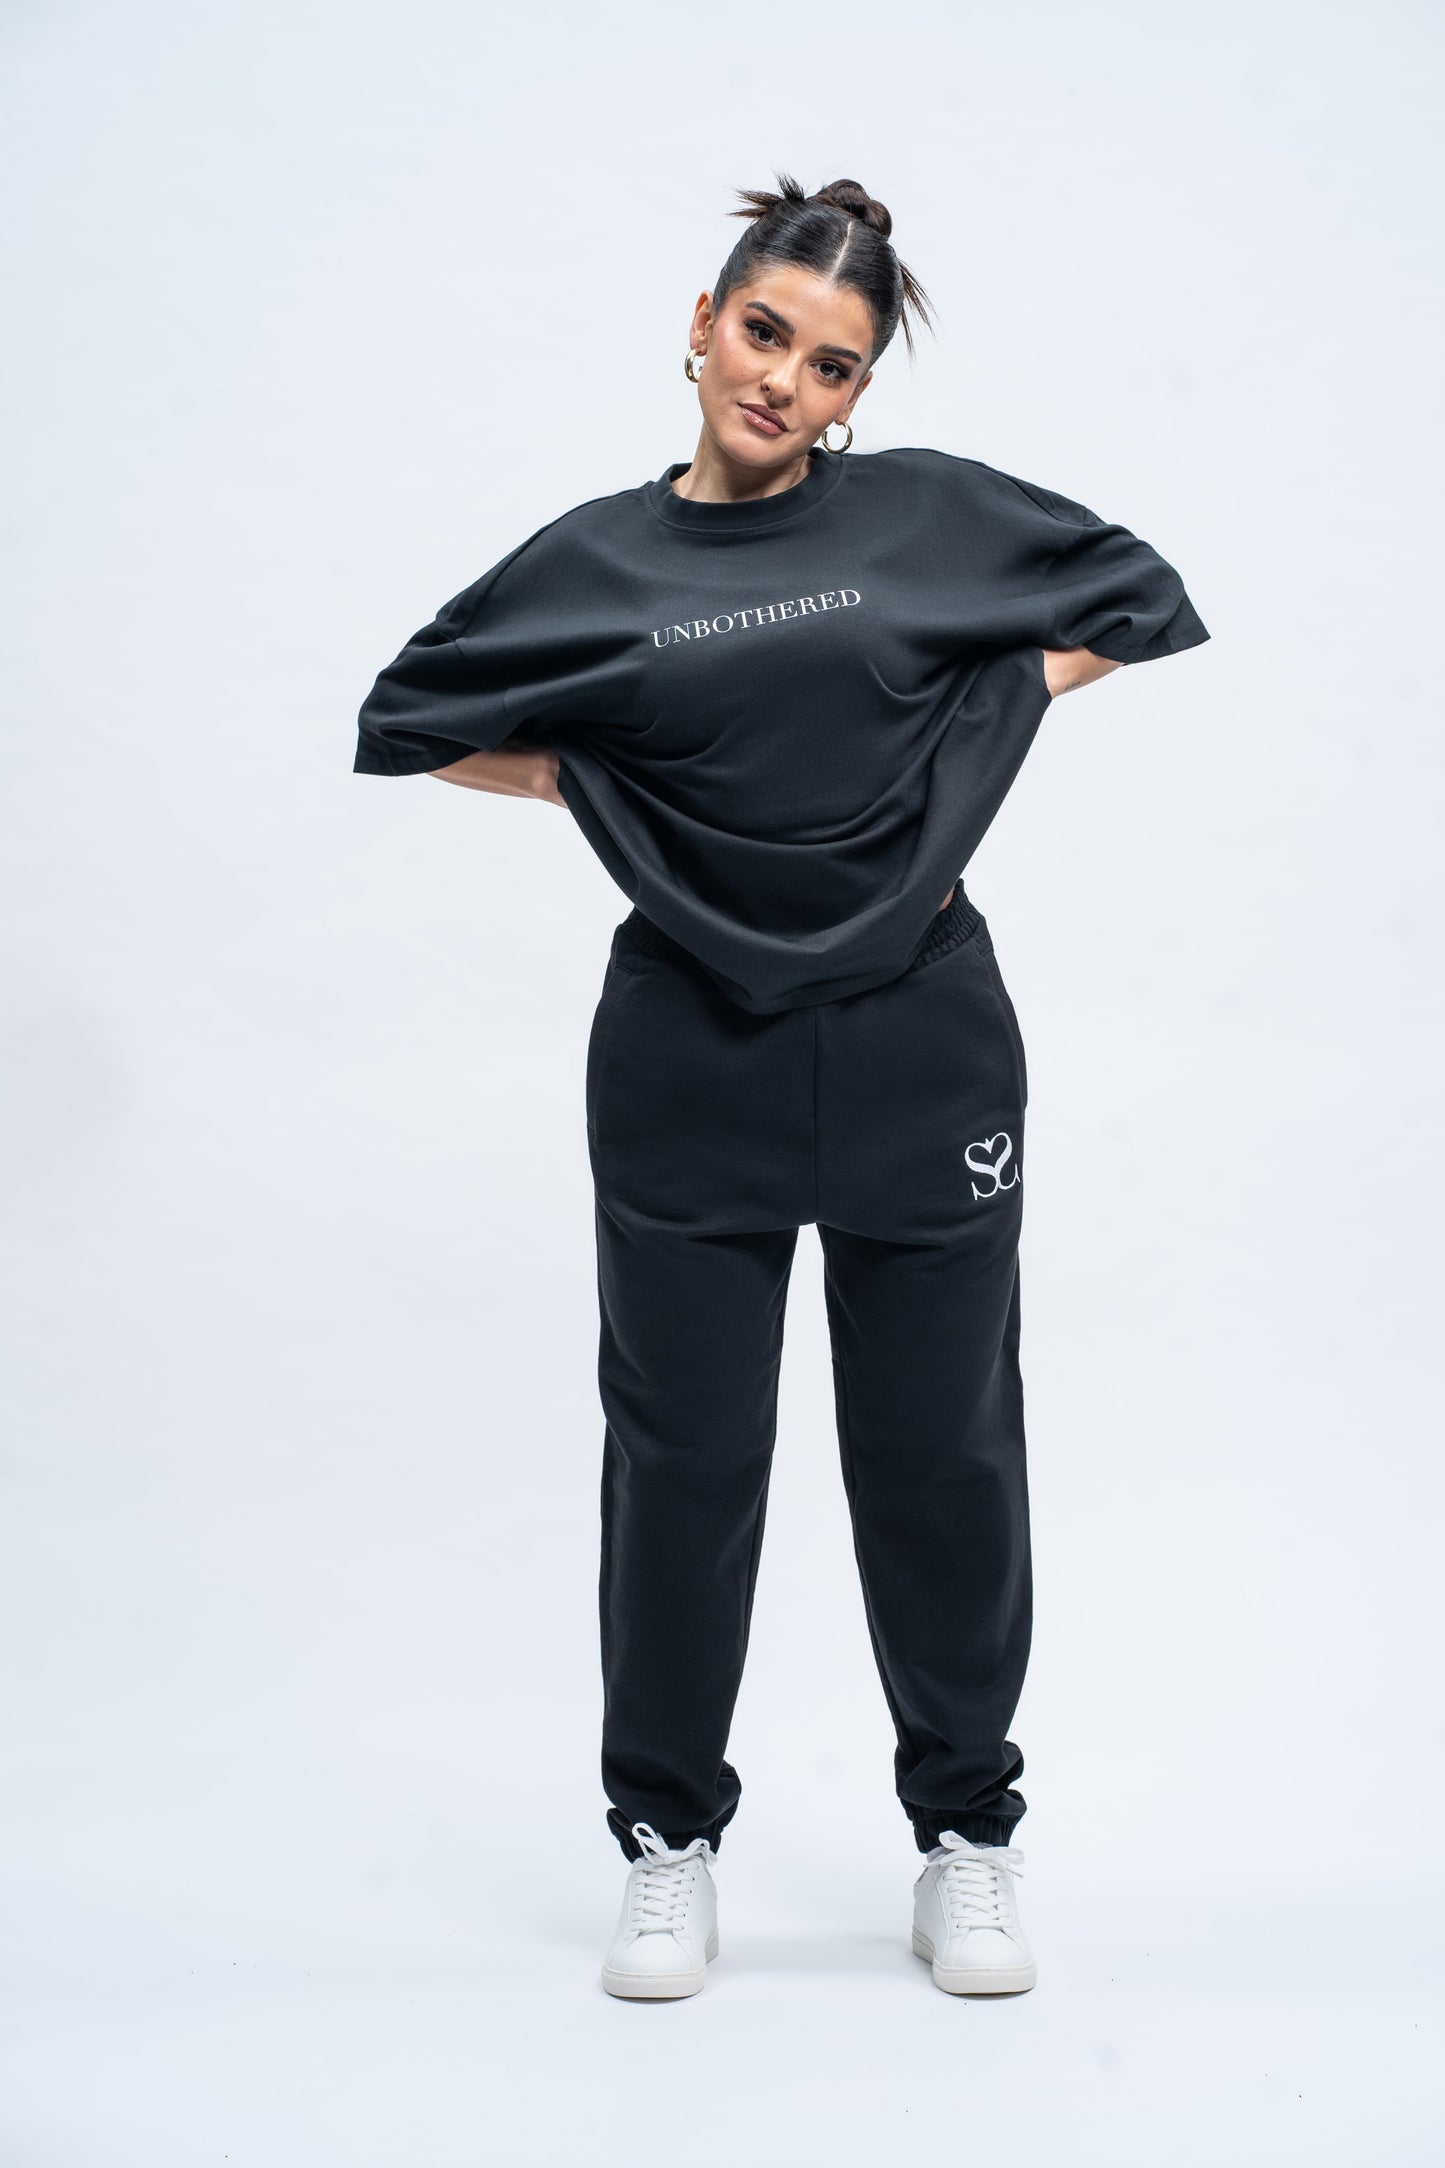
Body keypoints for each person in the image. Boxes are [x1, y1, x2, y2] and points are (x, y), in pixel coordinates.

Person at [352, 172, 1210, 2002]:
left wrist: (989, 712)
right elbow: (411, 719)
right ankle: (666, 1843)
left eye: (830, 366)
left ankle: (965, 1836)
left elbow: (1138, 600)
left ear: (855, 393)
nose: (783, 383)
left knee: (941, 1450)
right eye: (763, 334)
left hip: (921, 1044)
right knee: (684, 1457)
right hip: (690, 1054)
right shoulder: (594, 565)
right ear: (701, 323)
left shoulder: (925, 517)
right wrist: (590, 783)